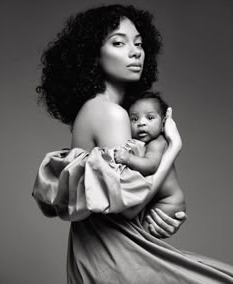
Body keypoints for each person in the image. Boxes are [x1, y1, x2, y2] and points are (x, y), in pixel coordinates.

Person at [33, 4, 233, 283]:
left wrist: (162, 216)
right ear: (92, 55)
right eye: (118, 42)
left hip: (101, 256)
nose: (135, 51)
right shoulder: (110, 114)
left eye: (138, 43)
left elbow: (117, 199)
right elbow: (129, 206)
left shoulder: (98, 110)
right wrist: (173, 148)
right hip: (116, 258)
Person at [114, 91, 186, 236]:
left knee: (139, 238)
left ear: (163, 124)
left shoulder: (157, 142)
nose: (141, 123)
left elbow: (150, 165)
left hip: (168, 203)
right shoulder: (141, 143)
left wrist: (128, 158)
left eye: (150, 117)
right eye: (134, 119)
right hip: (155, 201)